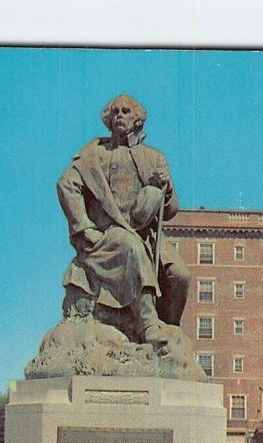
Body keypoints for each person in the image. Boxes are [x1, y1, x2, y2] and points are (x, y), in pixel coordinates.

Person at [57, 95, 191, 344]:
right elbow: (66, 185)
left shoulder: (155, 157)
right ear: (108, 119)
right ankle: (148, 325)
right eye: (115, 111)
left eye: (126, 111)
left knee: (180, 274)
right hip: (109, 232)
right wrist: (84, 227)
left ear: (137, 120)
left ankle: (169, 328)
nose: (119, 115)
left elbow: (171, 211)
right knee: (131, 248)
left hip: (148, 236)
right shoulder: (93, 154)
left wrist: (166, 189)